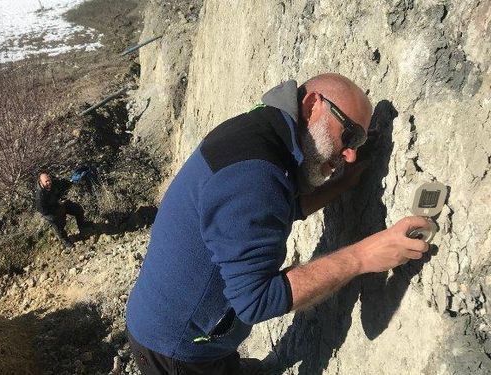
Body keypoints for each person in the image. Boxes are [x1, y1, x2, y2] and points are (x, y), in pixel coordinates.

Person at [125, 73, 430, 375]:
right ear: (312, 106)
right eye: (349, 135)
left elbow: (272, 207)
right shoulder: (252, 175)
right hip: (177, 350)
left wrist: (339, 185)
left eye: (359, 141)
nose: (350, 154)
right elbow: (256, 300)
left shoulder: (262, 133)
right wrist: (362, 257)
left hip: (174, 322)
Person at [35, 171, 87, 247]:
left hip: (60, 203)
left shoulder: (53, 183)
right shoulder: (40, 196)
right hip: (51, 212)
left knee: (78, 209)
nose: (49, 182)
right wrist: (57, 205)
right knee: (59, 227)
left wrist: (72, 181)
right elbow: (43, 211)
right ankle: (65, 241)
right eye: (46, 181)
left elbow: (63, 184)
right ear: (40, 182)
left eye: (49, 180)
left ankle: (82, 226)